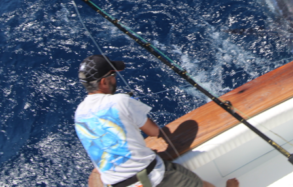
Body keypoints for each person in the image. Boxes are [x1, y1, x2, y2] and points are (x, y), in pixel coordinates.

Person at [75, 54, 239, 187]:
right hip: (151, 178)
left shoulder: (79, 114)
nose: (115, 78)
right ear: (104, 82)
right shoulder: (119, 101)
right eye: (113, 75)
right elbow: (154, 132)